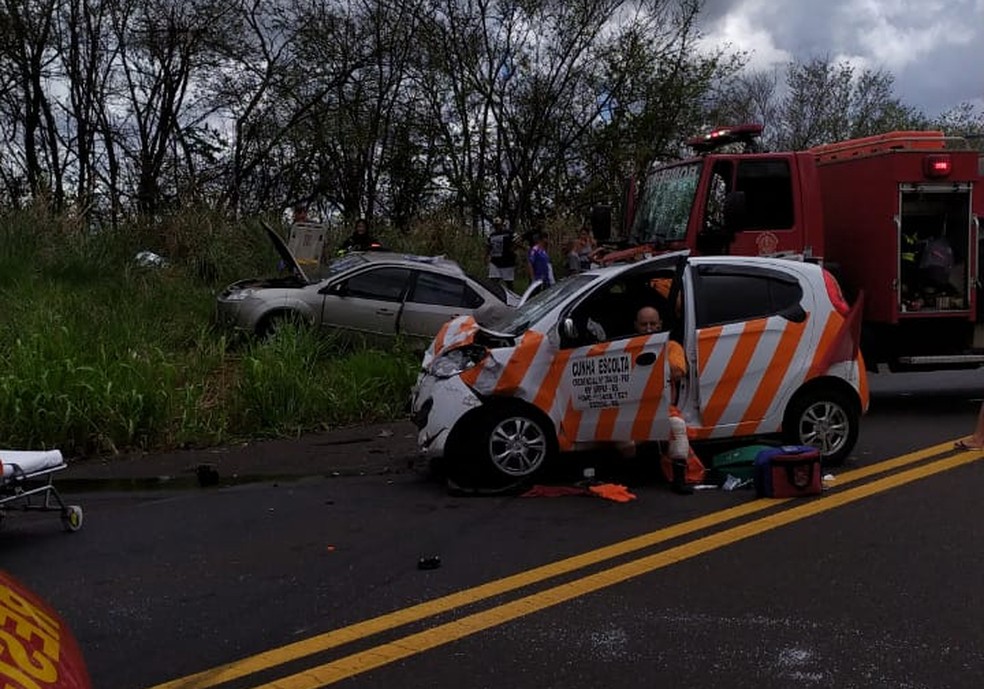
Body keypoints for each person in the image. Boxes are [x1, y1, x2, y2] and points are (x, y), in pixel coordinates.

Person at [635, 305, 692, 494]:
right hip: (632, 409)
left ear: (660, 325)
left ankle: (679, 480)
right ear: (636, 326)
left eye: (653, 324)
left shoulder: (671, 346)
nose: (649, 328)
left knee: (677, 426)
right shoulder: (626, 346)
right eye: (644, 324)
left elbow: (677, 371)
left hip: (662, 408)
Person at [486, 217, 517, 290]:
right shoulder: (491, 235)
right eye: (495, 225)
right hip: (495, 261)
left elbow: (518, 240)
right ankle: (495, 296)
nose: (497, 227)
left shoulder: (509, 233)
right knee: (493, 280)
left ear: (502, 225)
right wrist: (486, 256)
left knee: (508, 281)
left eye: (498, 225)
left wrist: (514, 248)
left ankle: (512, 297)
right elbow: (489, 247)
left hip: (507, 261)